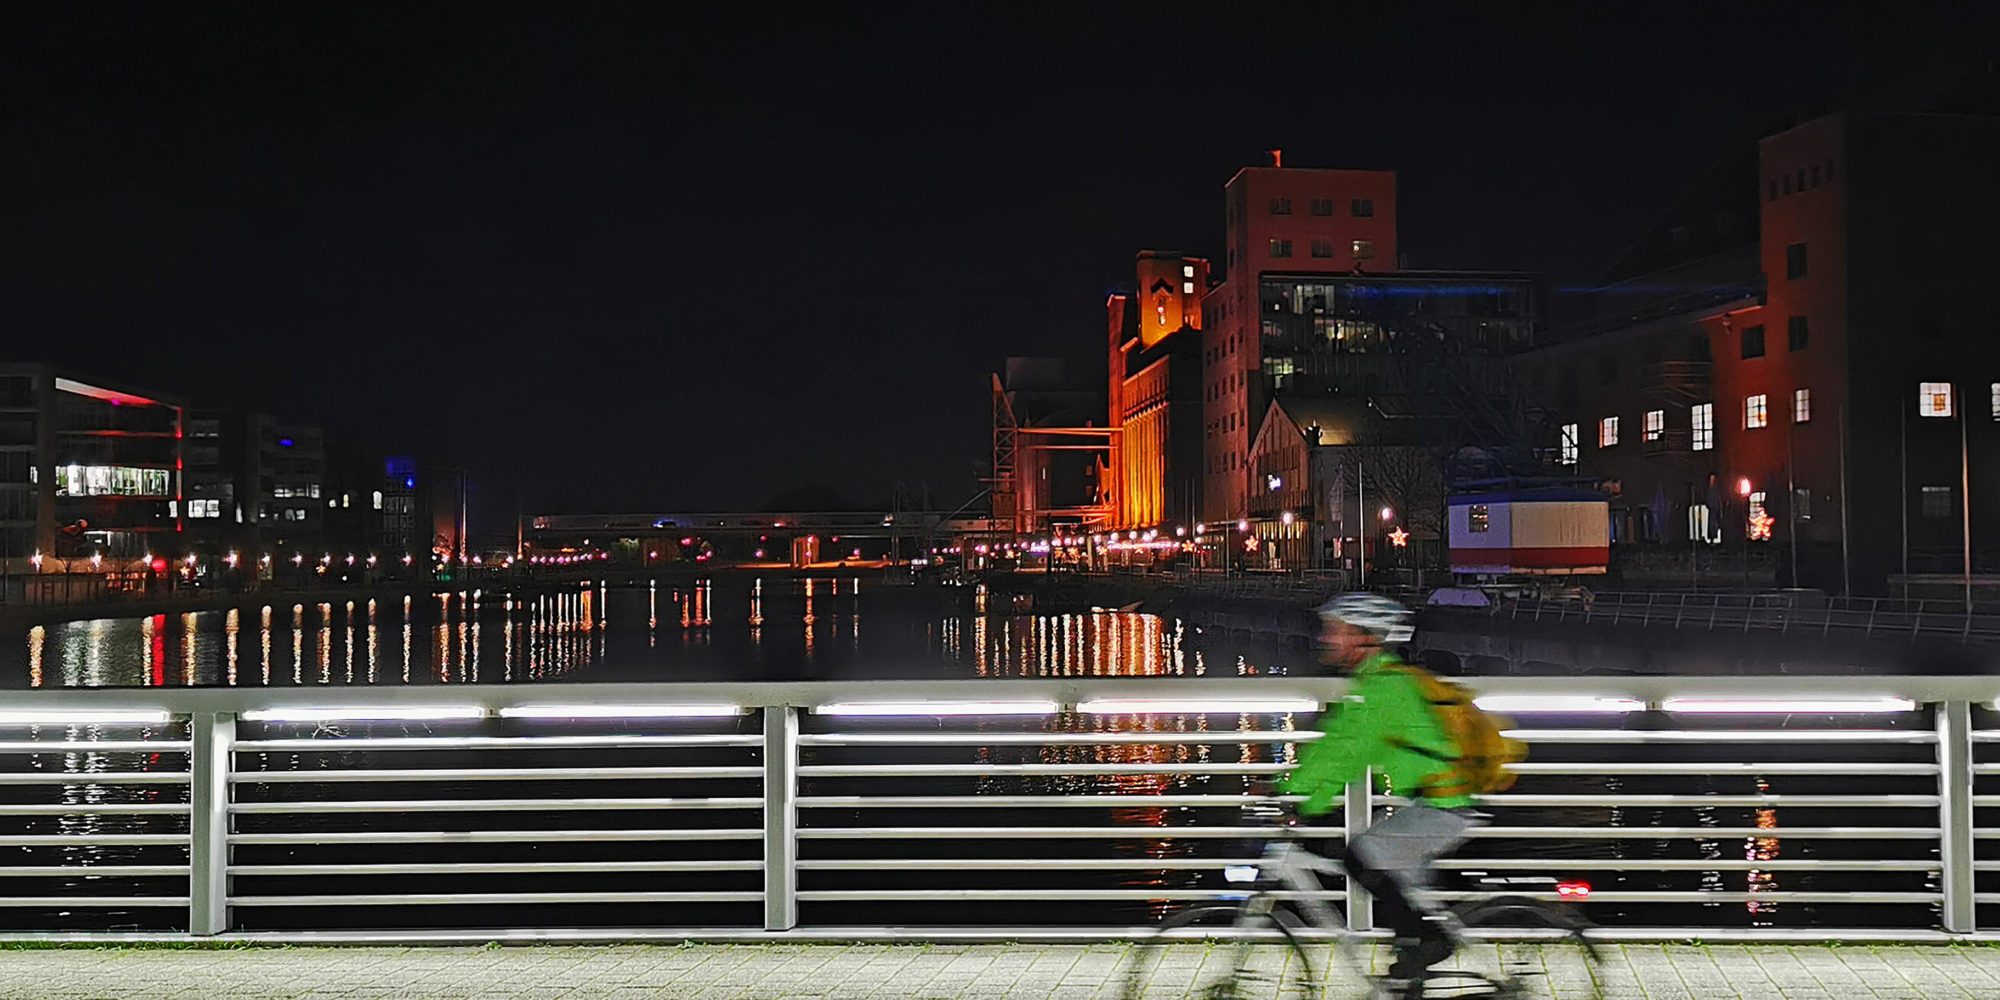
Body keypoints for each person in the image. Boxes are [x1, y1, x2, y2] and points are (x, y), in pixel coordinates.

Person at [1280, 593, 1484, 997]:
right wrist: (1302, 793)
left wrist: (1299, 797)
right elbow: (1339, 745)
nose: (1327, 639)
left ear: (1364, 639)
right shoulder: (1374, 683)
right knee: (1403, 912)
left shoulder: (1383, 688)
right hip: (1435, 800)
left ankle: (1431, 944)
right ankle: (1412, 970)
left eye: (1336, 631)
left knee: (1366, 853)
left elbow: (1348, 751)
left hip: (1447, 804)